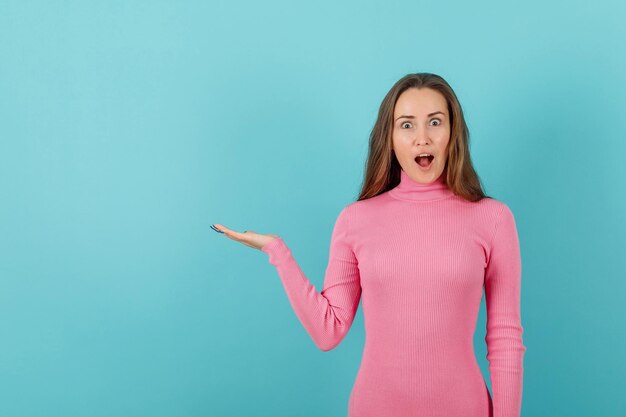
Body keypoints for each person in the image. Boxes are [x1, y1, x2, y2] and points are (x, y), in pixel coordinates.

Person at [211, 72, 527, 417]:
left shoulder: (493, 219)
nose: (422, 138)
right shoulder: (356, 220)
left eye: (435, 122)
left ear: (453, 132)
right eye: (407, 125)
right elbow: (328, 331)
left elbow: (505, 338)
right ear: (389, 138)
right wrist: (277, 252)